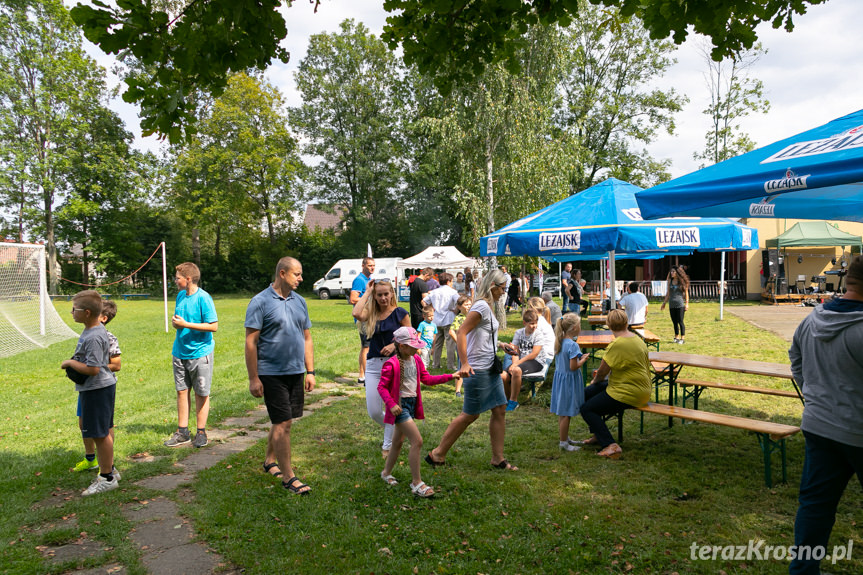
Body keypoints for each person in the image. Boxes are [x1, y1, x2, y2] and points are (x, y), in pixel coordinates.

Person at [788, 255, 863, 575]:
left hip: (819, 426)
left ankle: (803, 570)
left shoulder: (812, 318)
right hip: (855, 430)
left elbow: (796, 362)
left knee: (815, 505)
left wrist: (816, 398)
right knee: (816, 505)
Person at [425, 269, 518, 471]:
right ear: (493, 286)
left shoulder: (487, 306)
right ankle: (437, 453)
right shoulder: (481, 307)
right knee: (470, 415)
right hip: (478, 370)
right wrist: (464, 363)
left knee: (500, 409)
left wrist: (500, 344)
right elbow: (461, 332)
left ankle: (498, 458)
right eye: (503, 288)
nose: (504, 292)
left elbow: (481, 335)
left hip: (490, 368)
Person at [244, 257, 315, 495]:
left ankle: (269, 460)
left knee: (283, 421)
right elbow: (251, 341)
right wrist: (254, 378)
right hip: (271, 372)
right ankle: (289, 477)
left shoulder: (300, 302)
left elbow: (306, 337)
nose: (301, 278)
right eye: (297, 274)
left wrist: (310, 371)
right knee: (283, 423)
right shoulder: (260, 302)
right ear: (282, 273)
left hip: (295, 371)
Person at [378, 327, 458, 498]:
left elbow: (427, 379)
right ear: (401, 346)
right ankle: (416, 483)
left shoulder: (416, 360)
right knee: (417, 441)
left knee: (398, 442)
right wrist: (391, 404)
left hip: (411, 405)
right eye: (412, 345)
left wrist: (451, 376)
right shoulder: (391, 364)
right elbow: (382, 387)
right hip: (400, 407)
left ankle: (386, 473)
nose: (417, 348)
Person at [62, 290, 119, 495]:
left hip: (97, 388)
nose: (71, 312)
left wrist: (70, 363)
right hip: (100, 388)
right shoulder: (94, 329)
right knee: (103, 430)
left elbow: (94, 369)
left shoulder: (94, 336)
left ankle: (106, 478)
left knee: (99, 434)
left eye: (74, 309)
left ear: (87, 312)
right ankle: (109, 469)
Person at [578, 309, 651, 459]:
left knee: (587, 409)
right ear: (626, 322)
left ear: (608, 324)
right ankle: (599, 434)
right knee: (586, 394)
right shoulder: (637, 339)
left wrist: (594, 381)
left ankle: (610, 444)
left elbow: (602, 373)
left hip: (627, 392)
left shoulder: (616, 345)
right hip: (641, 388)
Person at [353, 279, 411, 457]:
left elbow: (410, 336)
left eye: (386, 294)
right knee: (374, 411)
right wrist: (368, 292)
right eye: (380, 295)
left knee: (391, 404)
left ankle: (387, 446)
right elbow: (356, 312)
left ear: (392, 293)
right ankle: (394, 424)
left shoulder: (400, 313)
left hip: (393, 365)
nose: (384, 297)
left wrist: (395, 345)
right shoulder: (371, 312)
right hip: (372, 365)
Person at [165, 262, 218, 449]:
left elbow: (213, 326)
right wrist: (177, 324)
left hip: (200, 353)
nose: (175, 281)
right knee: (181, 391)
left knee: (201, 393)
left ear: (188, 279)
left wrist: (186, 324)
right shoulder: (180, 296)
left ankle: (201, 432)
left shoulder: (204, 298)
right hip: (179, 352)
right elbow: (180, 322)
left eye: (177, 277)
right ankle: (182, 432)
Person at [73, 300, 122, 473]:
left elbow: (115, 365)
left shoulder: (103, 336)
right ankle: (92, 458)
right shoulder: (89, 333)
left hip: (99, 387)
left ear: (103, 318)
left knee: (103, 430)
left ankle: (108, 470)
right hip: (88, 386)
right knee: (85, 423)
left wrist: (73, 365)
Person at [550, 313, 589, 452]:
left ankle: (565, 438)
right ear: (574, 328)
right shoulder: (573, 345)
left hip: (561, 381)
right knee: (566, 412)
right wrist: (583, 360)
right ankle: (563, 443)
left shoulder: (560, 341)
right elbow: (573, 366)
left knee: (563, 412)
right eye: (579, 325)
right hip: (569, 382)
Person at [501, 308, 553, 411]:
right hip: (522, 361)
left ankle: (513, 401)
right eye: (531, 324)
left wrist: (515, 365)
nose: (534, 326)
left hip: (537, 361)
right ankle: (507, 400)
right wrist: (514, 363)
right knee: (503, 375)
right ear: (524, 323)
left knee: (516, 370)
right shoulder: (519, 332)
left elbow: (533, 354)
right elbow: (515, 351)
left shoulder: (538, 334)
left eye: (536, 323)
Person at [423, 272, 460, 370]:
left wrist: (430, 310)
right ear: (448, 281)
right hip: (448, 318)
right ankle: (451, 365)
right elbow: (460, 301)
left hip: (436, 319)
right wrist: (456, 310)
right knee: (450, 344)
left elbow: (424, 301)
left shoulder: (434, 291)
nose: (452, 283)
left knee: (437, 343)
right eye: (452, 281)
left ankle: (436, 364)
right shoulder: (452, 292)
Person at [350, 257, 375, 387]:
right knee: (367, 347)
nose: (372, 268)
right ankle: (368, 379)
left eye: (373, 266)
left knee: (364, 346)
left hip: (368, 317)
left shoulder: (368, 280)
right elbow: (353, 299)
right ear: (363, 265)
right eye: (370, 265)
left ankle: (361, 376)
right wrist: (369, 299)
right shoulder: (359, 280)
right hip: (363, 318)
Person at [448, 296, 472, 398]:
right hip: (463, 348)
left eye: (470, 304)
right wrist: (459, 342)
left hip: (472, 346)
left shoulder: (472, 316)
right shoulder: (459, 318)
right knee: (461, 367)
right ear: (459, 307)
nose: (468, 306)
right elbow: (451, 331)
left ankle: (470, 389)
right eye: (466, 305)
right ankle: (458, 391)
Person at [660, 265, 690, 344]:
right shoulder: (670, 281)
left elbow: (686, 293)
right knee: (674, 322)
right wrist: (664, 303)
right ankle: (676, 337)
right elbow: (668, 293)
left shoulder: (682, 282)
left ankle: (682, 339)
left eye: (673, 271)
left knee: (680, 321)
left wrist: (687, 304)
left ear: (677, 273)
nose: (672, 273)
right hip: (671, 304)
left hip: (680, 304)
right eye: (671, 271)